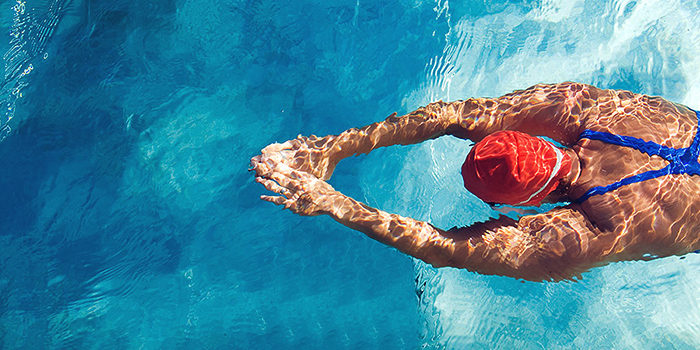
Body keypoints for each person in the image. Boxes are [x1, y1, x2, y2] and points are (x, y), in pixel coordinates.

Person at [249, 82, 700, 282]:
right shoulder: (592, 111)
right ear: (533, 137)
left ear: (529, 203)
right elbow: (451, 115)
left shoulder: (594, 232)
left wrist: (332, 203)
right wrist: (334, 147)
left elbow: (442, 246)